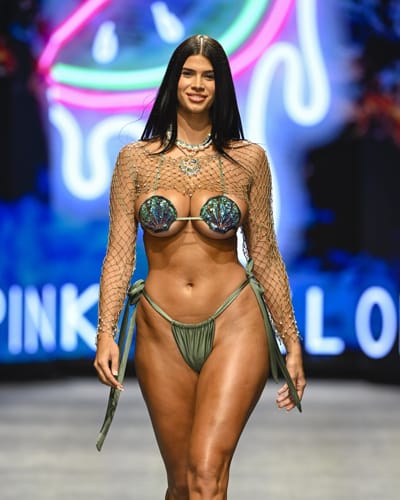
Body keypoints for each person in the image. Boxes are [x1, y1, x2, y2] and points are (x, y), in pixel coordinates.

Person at [94, 34, 306, 500]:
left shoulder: (249, 159)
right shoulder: (134, 161)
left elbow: (265, 254)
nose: (197, 84)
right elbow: (119, 254)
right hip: (159, 328)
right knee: (182, 485)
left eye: (209, 76)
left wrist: (291, 341)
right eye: (188, 73)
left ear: (221, 85)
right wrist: (106, 333)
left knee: (206, 476)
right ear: (173, 81)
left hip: (235, 321)